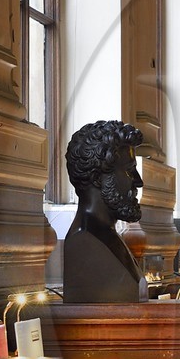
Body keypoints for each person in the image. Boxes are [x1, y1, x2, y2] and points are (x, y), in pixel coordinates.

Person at [62, 120, 146, 303]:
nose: (139, 182)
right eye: (130, 170)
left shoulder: (109, 237)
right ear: (99, 178)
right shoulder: (84, 241)